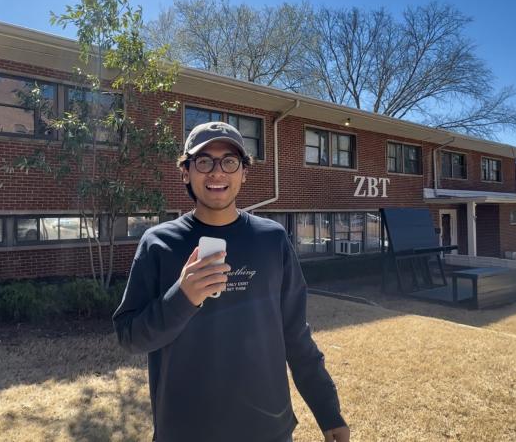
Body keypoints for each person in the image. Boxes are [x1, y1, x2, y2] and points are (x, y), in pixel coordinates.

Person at [113, 121, 350, 442]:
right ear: (185, 172)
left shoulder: (272, 239)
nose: (217, 172)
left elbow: (295, 335)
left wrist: (327, 409)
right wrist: (181, 297)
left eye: (229, 161)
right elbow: (129, 337)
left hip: (268, 430)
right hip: (185, 431)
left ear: (244, 173)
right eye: (204, 161)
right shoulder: (158, 244)